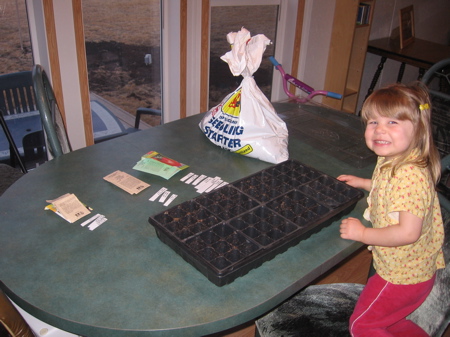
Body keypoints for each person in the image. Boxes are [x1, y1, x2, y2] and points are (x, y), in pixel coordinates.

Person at [337, 82, 445, 337]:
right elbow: (392, 189)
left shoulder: (410, 175)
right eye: (372, 122)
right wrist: (365, 183)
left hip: (401, 276)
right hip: (411, 271)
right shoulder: (395, 158)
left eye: (392, 123)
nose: (379, 130)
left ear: (417, 130)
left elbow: (408, 233)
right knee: (390, 321)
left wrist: (363, 234)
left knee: (362, 326)